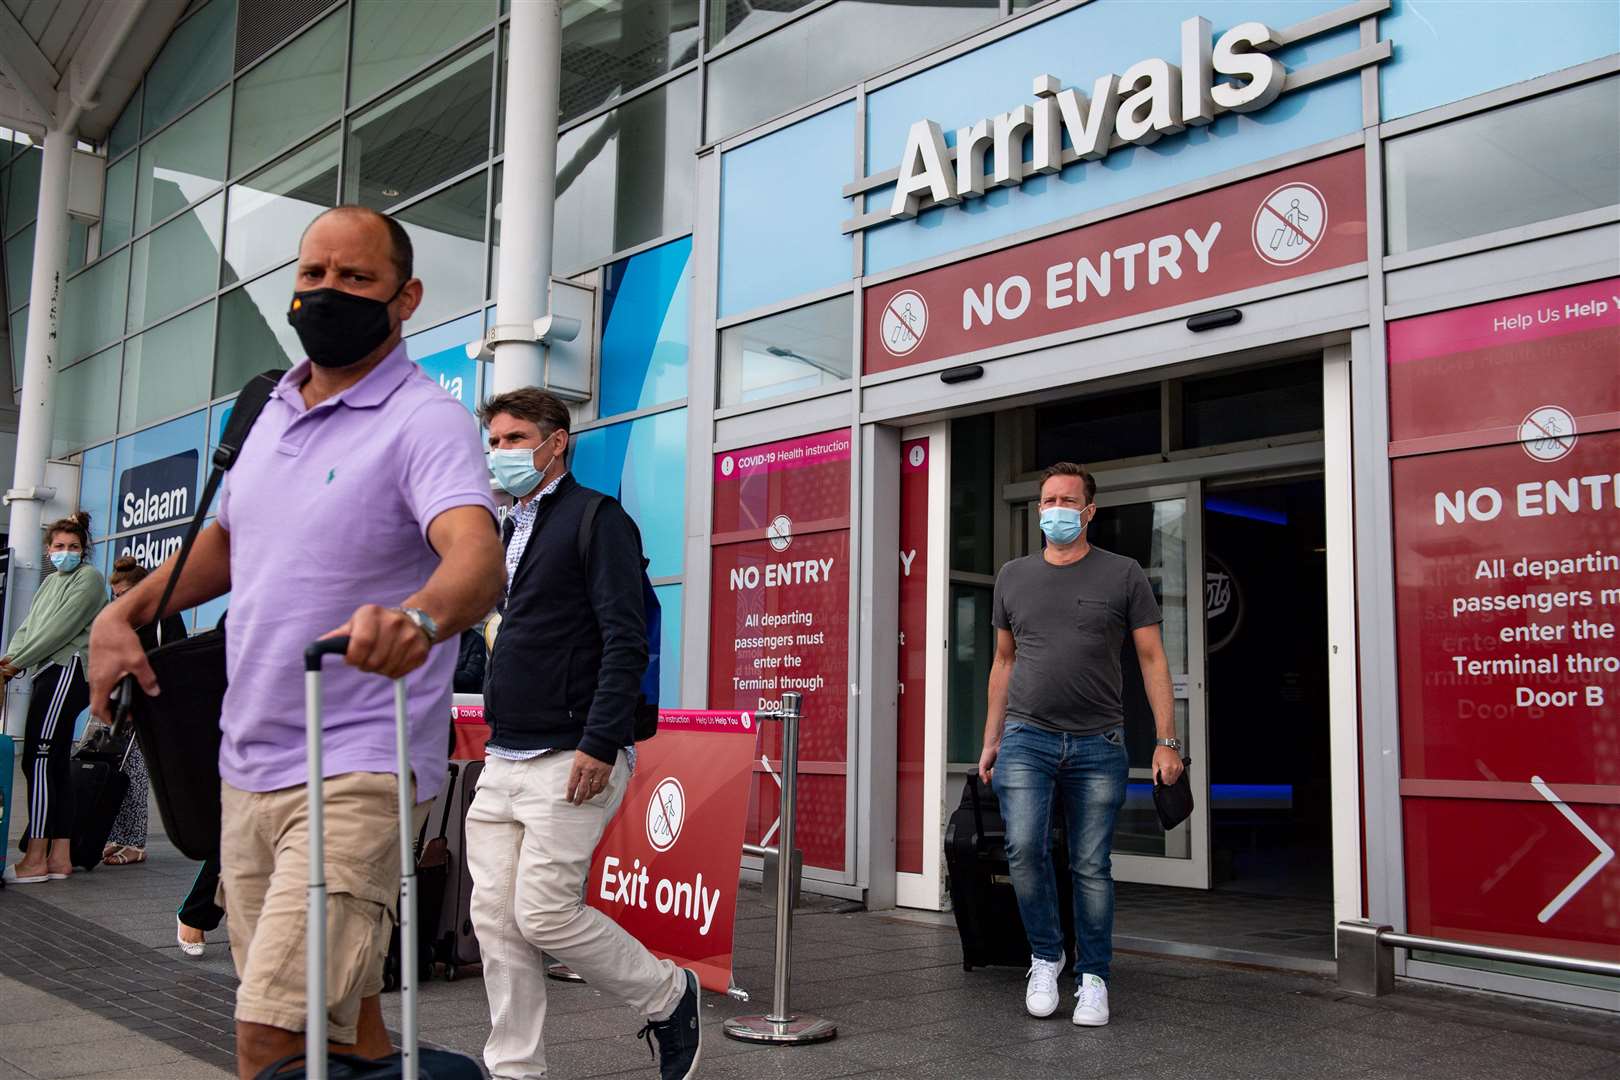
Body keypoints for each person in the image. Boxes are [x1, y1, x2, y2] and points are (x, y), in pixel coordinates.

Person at [87, 204, 505, 1080]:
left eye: (355, 278)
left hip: (357, 764)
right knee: (345, 1027)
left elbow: (477, 558)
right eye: (313, 275)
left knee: (272, 1037)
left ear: (406, 297)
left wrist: (421, 616)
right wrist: (120, 614)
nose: (327, 293)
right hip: (246, 765)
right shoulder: (265, 410)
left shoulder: (425, 421)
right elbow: (228, 547)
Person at [468, 387, 699, 1080]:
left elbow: (625, 641)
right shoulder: (505, 529)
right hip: (505, 752)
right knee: (496, 921)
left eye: (514, 439)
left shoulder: (598, 520)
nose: (501, 453)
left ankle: (666, 993)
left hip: (572, 752)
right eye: (496, 441)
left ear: (556, 441)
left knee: (541, 915)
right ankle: (515, 1069)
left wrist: (601, 742)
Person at [978, 462, 1183, 1028]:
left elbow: (1152, 658)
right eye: (1048, 500)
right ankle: (1047, 957)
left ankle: (1094, 977)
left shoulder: (1123, 574)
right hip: (1025, 737)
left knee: (1091, 864)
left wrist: (1167, 740)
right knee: (1023, 849)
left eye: (1068, 500)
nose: (1055, 509)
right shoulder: (1012, 576)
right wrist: (990, 740)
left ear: (1089, 511)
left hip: (1099, 742)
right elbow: (1002, 661)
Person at [1, 512, 107, 883]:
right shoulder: (49, 584)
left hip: (67, 669)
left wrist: (15, 665)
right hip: (48, 671)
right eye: (60, 547)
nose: (66, 552)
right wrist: (9, 659)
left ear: (84, 550)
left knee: (39, 761)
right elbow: (30, 626)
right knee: (55, 763)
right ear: (49, 550)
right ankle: (59, 857)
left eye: (73, 547)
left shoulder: (89, 579)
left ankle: (35, 859)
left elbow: (60, 630)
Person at [97, 555, 189, 867]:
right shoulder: (126, 621)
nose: (118, 601)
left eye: (123, 595)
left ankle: (135, 842)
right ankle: (118, 834)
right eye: (116, 596)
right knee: (120, 770)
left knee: (135, 772)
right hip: (125, 703)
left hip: (150, 703)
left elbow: (174, 657)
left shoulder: (162, 616)